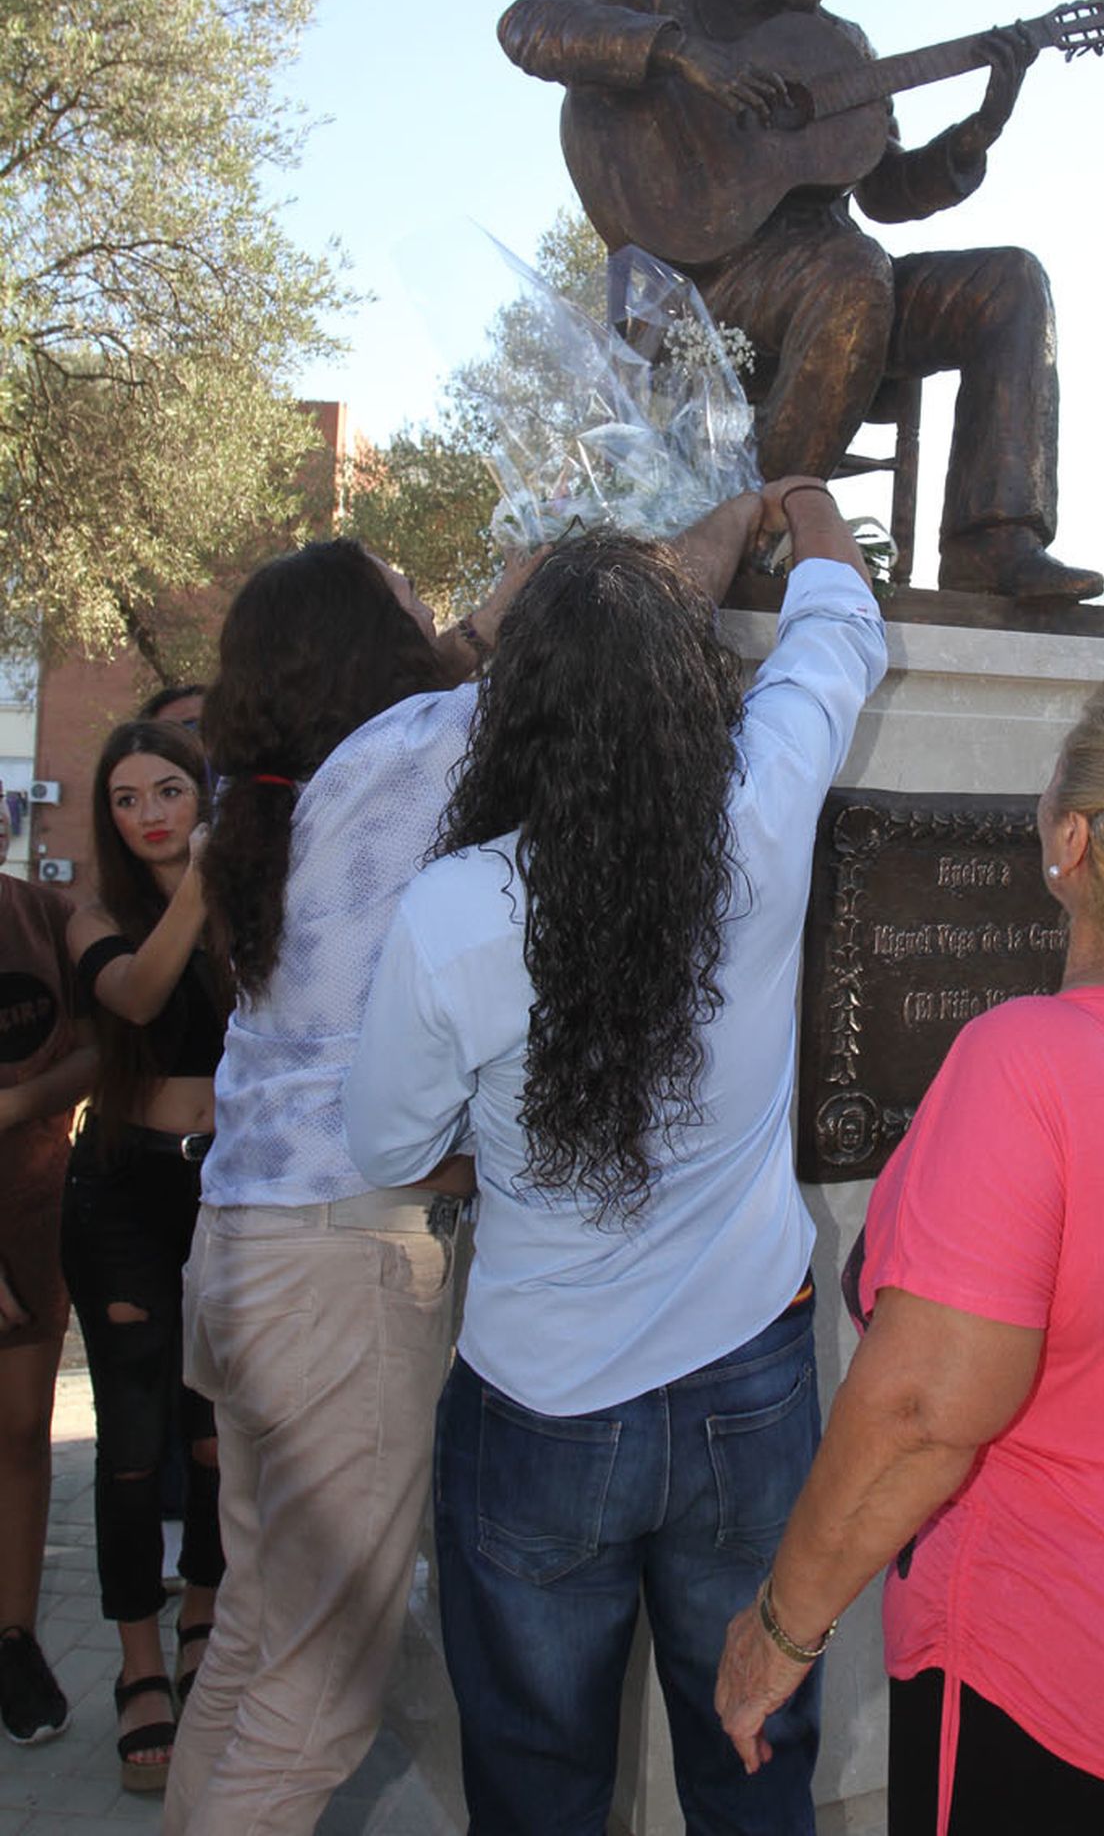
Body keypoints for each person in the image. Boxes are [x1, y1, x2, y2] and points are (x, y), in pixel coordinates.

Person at [167, 510, 759, 1836]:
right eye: (396, 588)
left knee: (260, 1636)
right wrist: (744, 510)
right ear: (359, 641)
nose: (423, 596)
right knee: (317, 1699)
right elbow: (615, 629)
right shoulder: (397, 757)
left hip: (250, 1239)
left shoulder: (293, 788)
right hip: (345, 1258)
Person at [714, 654, 1104, 1834]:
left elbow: (918, 1412)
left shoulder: (1029, 1064)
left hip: (1071, 1685)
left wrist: (778, 1629)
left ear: (1070, 840)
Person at [344, 482, 885, 1836]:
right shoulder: (754, 821)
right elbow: (838, 633)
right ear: (687, 687)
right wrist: (808, 512)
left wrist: (509, 1157)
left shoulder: (455, 908)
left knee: (536, 1782)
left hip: (539, 1405)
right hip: (748, 1398)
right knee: (753, 1754)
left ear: (513, 709)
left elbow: (389, 1144)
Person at [499, 0, 1100, 601]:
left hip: (835, 284)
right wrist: (682, 57)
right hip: (696, 290)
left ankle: (993, 542)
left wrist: (976, 133)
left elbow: (886, 189)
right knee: (854, 274)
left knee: (1009, 281)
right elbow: (529, 23)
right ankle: (759, 537)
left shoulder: (839, 47)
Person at [57, 723, 226, 1791]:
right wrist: (203, 883)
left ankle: (207, 1612)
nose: (150, 812)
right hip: (121, 1190)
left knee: (216, 1433)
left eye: (170, 789)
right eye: (127, 797)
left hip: (232, 1189)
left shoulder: (253, 900)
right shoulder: (97, 912)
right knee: (131, 1441)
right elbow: (137, 998)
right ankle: (136, 1665)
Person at [0, 793, 94, 1748]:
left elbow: (106, 1046)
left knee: (23, 1429)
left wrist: (19, 1099)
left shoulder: (46, 917)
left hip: (29, 1211)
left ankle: (15, 1639)